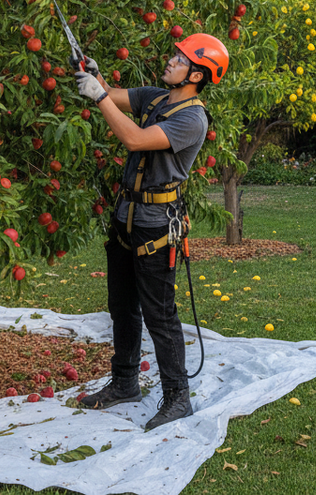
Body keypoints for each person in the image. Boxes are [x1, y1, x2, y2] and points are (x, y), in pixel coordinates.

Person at [74, 33, 229, 431]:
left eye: (179, 59)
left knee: (160, 314)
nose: (171, 61)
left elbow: (135, 139)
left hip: (158, 223)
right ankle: (125, 382)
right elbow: (112, 94)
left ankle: (178, 398)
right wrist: (96, 77)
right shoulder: (158, 98)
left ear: (197, 73)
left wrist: (98, 97)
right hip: (127, 214)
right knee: (121, 307)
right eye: (175, 55)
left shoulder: (192, 118)